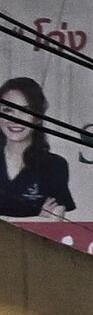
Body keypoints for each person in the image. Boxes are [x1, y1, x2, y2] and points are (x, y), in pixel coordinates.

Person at [0, 79, 74, 218]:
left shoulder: (54, 166)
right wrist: (36, 219)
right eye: (8, 110)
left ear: (38, 117)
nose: (15, 119)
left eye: (25, 111)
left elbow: (54, 222)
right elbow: (43, 222)